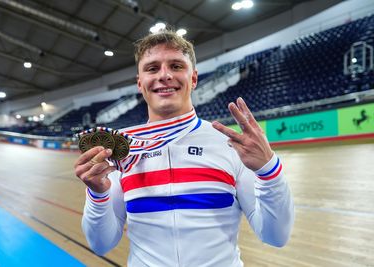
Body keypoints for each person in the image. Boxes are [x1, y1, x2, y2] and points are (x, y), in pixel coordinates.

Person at [74, 30, 294, 267]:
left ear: (194, 78)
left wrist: (269, 170)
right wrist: (97, 194)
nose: (165, 75)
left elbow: (276, 236)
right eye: (152, 68)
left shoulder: (230, 144)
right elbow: (100, 244)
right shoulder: (121, 151)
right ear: (140, 83)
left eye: (176, 66)